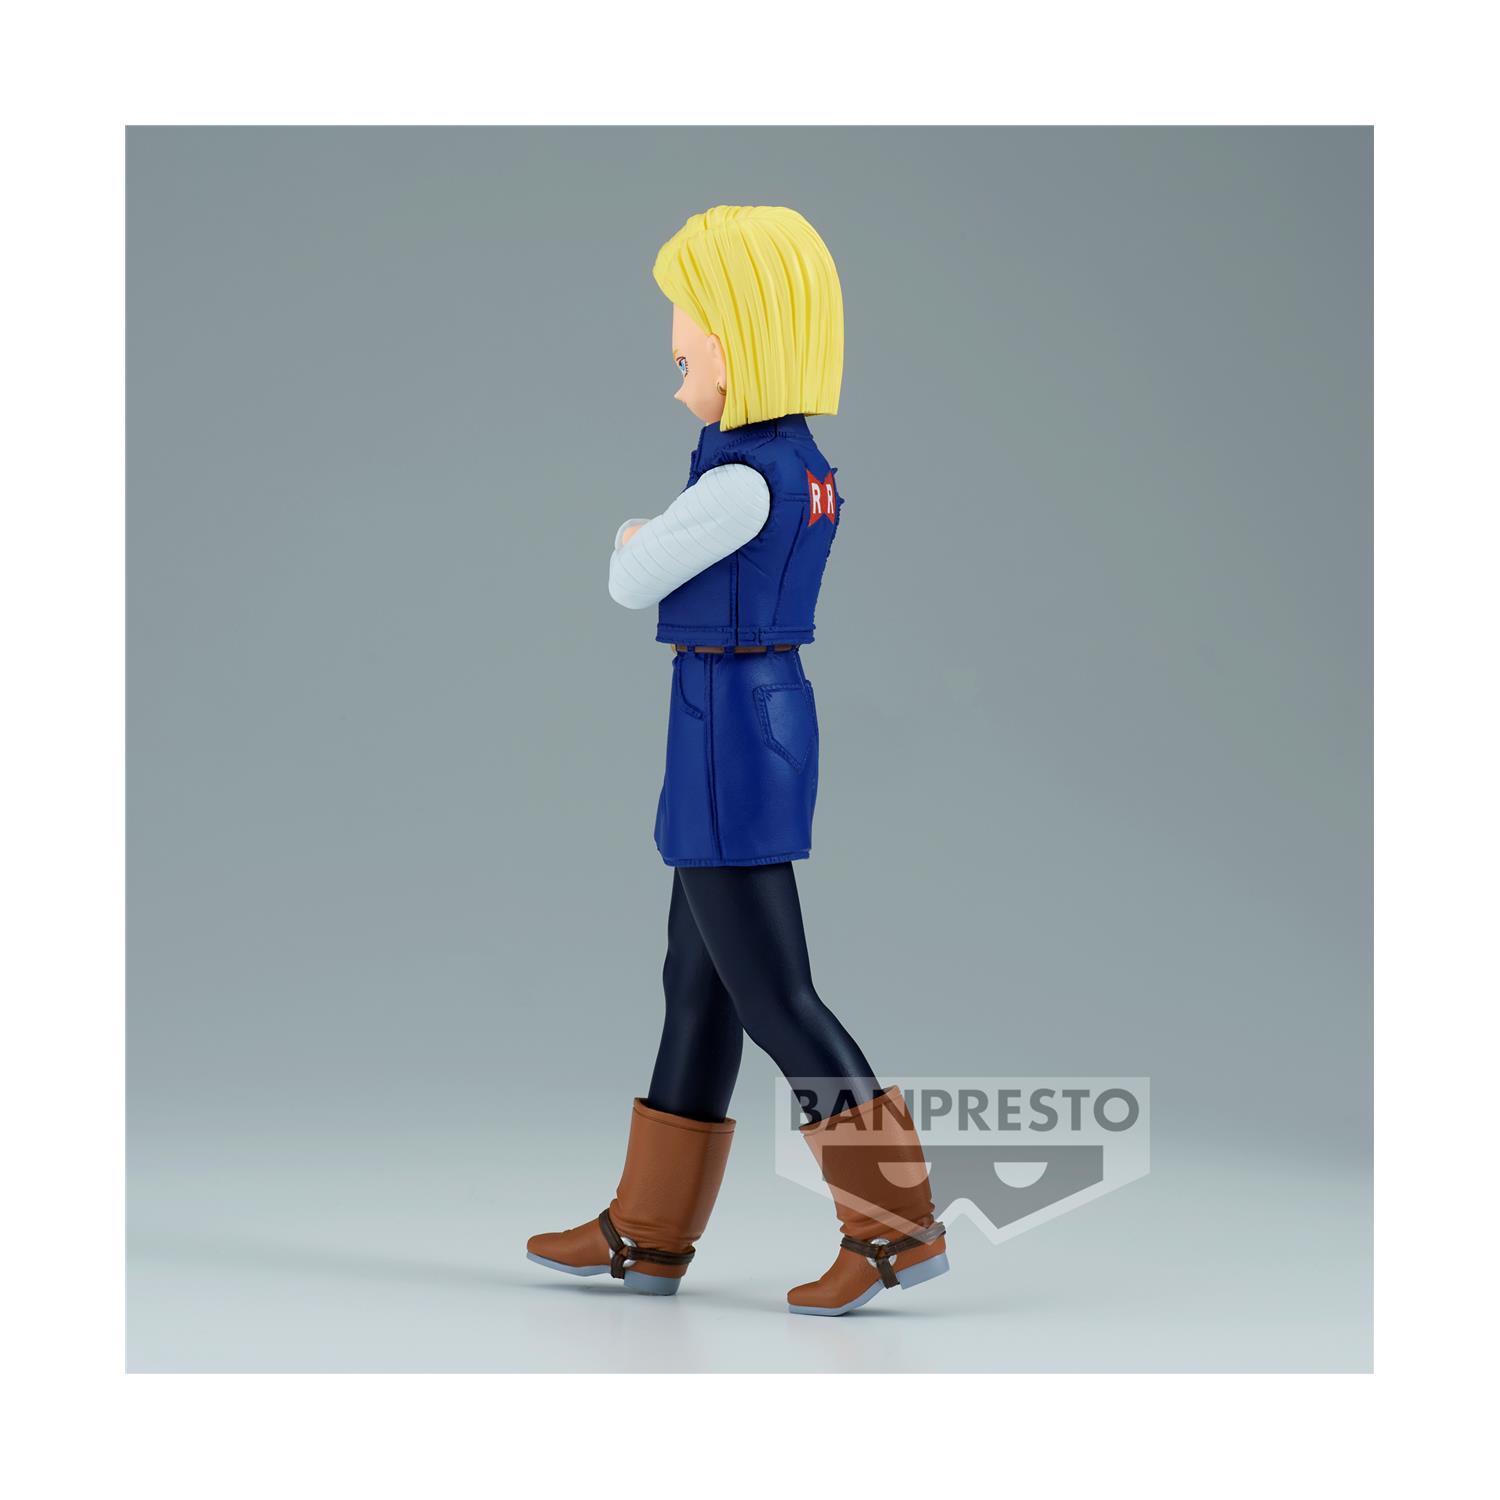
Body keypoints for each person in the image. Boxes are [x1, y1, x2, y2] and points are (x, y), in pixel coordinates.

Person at [525, 206, 948, 1315]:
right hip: (754, 711)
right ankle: (648, 1232)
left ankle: (894, 1225)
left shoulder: (742, 482)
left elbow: (629, 578)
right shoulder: (799, 468)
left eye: (686, 359)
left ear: (742, 343)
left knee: (774, 994)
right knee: (698, 982)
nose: (677, 385)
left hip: (723, 727)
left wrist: (632, 535)